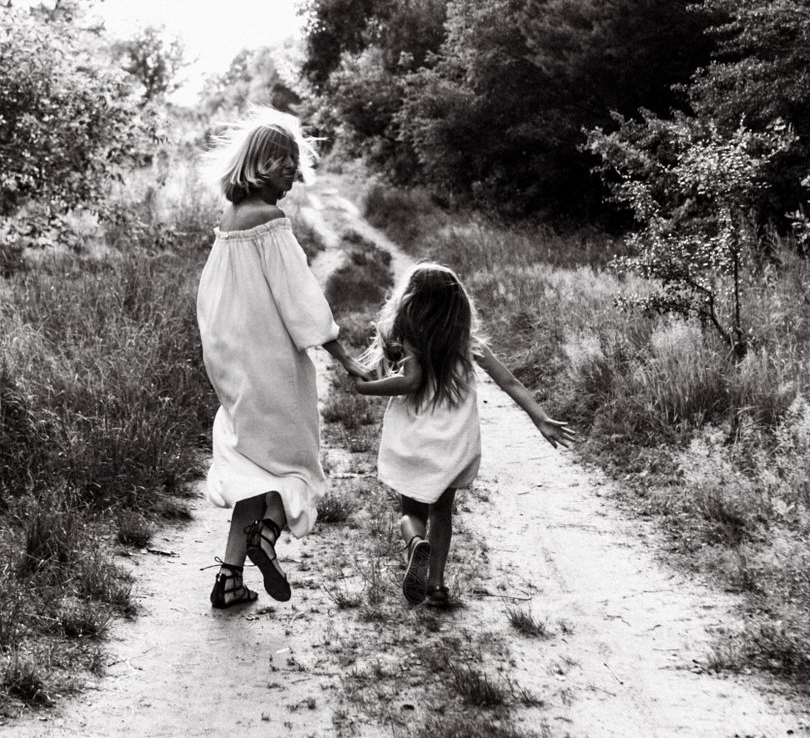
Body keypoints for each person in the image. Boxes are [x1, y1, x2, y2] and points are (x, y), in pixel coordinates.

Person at [197, 110, 367, 609]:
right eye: (284, 163)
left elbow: (213, 297)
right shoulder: (268, 221)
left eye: (295, 163)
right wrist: (344, 356)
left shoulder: (229, 220)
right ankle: (267, 534)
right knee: (293, 459)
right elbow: (300, 297)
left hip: (231, 359)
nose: (292, 172)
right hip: (267, 359)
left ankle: (229, 580)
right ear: (260, 165)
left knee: (254, 466)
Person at [351, 262, 574, 606]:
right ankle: (436, 585)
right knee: (442, 511)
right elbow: (509, 381)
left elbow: (410, 381)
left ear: (412, 303)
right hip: (453, 442)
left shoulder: (411, 341)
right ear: (458, 306)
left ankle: (416, 544)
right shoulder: (467, 344)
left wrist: (365, 388)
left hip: (414, 440)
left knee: (411, 513)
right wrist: (540, 418)